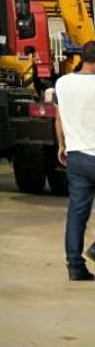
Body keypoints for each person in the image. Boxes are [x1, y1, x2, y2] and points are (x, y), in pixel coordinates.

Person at [56, 40, 95, 281]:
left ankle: (75, 267)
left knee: (77, 213)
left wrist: (62, 145)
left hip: (77, 156)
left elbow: (59, 118)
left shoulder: (63, 83)